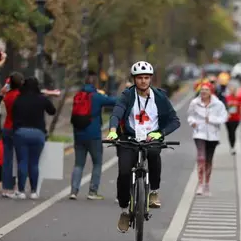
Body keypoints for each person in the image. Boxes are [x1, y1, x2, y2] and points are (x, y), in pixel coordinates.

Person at [107, 61, 181, 232]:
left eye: (146, 78)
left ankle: (154, 190)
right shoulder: (127, 95)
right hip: (130, 138)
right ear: (134, 79)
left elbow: (174, 121)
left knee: (154, 154)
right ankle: (125, 209)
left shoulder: (160, 97)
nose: (143, 81)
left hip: (151, 138)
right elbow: (117, 112)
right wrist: (112, 130)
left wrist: (160, 133)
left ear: (151, 79)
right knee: (124, 172)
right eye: (139, 78)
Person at [69, 73, 117, 200]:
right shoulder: (97, 97)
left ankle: (73, 191)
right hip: (93, 134)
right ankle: (92, 191)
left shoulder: (77, 96)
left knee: (78, 164)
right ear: (96, 84)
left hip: (78, 134)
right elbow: (114, 102)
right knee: (97, 163)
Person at [11, 75, 56, 199]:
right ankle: (34, 191)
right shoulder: (41, 99)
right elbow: (52, 111)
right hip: (38, 133)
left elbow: (13, 114)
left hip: (21, 133)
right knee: (34, 163)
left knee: (22, 162)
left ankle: (20, 191)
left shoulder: (19, 99)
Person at [188, 82, 228, 195]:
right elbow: (190, 115)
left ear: (211, 92)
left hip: (213, 135)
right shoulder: (194, 103)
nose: (204, 92)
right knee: (201, 158)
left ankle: (207, 185)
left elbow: (224, 117)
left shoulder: (218, 104)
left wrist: (211, 119)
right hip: (199, 133)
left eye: (206, 90)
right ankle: (200, 184)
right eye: (202, 90)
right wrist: (192, 122)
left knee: (208, 160)